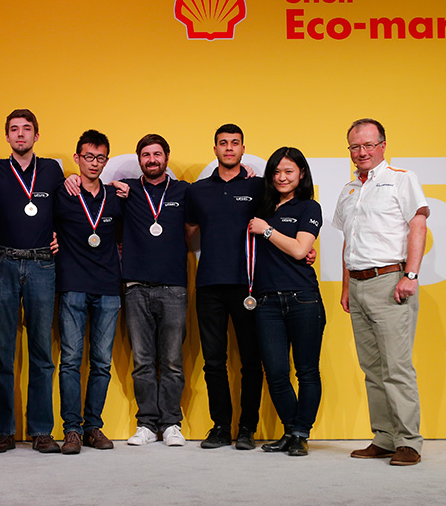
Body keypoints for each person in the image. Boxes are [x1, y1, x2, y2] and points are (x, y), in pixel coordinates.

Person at [333, 118, 429, 466]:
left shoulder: (401, 180)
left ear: (383, 146)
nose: (362, 152)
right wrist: (346, 287)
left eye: (368, 145)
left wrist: (411, 274)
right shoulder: (349, 190)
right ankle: (385, 437)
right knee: (372, 367)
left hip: (390, 282)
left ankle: (409, 441)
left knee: (396, 366)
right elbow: (349, 241)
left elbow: (418, 225)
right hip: (357, 285)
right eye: (355, 147)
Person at [0, 109, 65, 454]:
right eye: (13, 129)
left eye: (27, 129)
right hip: (3, 262)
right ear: (7, 136)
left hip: (42, 263)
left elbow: (67, 209)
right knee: (3, 353)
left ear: (36, 136)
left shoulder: (53, 170)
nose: (20, 135)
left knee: (42, 352)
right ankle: (4, 432)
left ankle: (42, 431)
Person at [184, 124, 264, 450]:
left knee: (250, 361)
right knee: (213, 361)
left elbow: (281, 220)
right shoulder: (198, 190)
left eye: (234, 143)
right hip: (209, 285)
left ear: (243, 148)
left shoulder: (260, 187)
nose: (229, 148)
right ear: (214, 149)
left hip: (248, 286)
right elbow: (187, 232)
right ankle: (220, 426)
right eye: (223, 143)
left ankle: (247, 428)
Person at [248, 147, 325, 456]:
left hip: (302, 298)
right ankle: (292, 432)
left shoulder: (309, 207)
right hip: (265, 301)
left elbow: (298, 250)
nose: (282, 177)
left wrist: (266, 230)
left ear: (301, 174)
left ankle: (299, 433)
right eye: (276, 172)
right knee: (276, 371)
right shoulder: (261, 205)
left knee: (306, 371)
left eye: (289, 171)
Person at [118, 134, 191, 447]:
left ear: (167, 157)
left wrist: (249, 175)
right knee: (143, 362)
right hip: (136, 287)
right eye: (146, 154)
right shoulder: (127, 190)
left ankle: (171, 423)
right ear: (139, 160)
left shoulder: (184, 191)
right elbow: (87, 188)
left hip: (174, 287)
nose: (152, 159)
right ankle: (147, 424)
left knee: (173, 361)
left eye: (157, 154)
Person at [54, 130, 122, 454]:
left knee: (101, 362)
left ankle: (93, 426)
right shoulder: (62, 193)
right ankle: (71, 430)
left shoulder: (116, 197)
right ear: (77, 157)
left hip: (109, 288)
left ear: (106, 160)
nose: (94, 163)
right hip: (72, 287)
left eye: (100, 158)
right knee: (69, 360)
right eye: (88, 156)